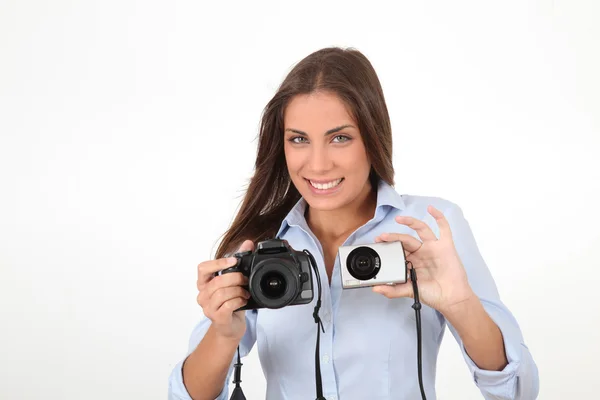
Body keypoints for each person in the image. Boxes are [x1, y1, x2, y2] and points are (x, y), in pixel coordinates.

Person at [168, 47, 539, 400]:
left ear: (372, 138)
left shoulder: (429, 228)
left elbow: (516, 391)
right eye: (299, 139)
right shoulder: (258, 246)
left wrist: (461, 304)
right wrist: (223, 334)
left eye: (340, 138)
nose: (317, 164)